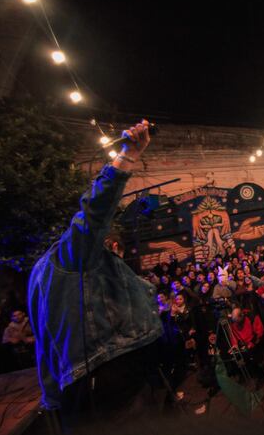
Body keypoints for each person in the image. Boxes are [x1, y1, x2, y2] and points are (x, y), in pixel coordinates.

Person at [28, 121, 163, 412]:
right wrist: (127, 155)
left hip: (77, 393)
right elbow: (94, 213)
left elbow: (46, 346)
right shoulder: (70, 256)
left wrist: (51, 396)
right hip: (111, 380)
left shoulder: (38, 276)